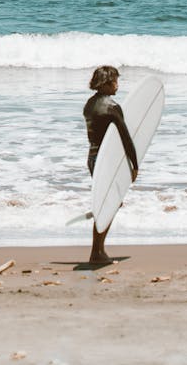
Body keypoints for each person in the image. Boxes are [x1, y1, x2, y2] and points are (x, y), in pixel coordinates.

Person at [83, 65, 138, 264]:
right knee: (109, 204)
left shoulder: (89, 104)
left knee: (108, 203)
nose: (117, 85)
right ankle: (97, 253)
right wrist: (134, 164)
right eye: (115, 81)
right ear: (106, 83)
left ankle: (98, 251)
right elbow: (125, 138)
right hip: (107, 161)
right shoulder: (111, 106)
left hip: (92, 158)